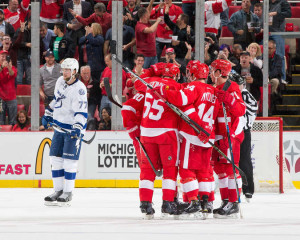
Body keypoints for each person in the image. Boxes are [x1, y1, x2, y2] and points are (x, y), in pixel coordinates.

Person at [155, 60, 219, 217]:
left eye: (189, 72)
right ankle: (206, 203)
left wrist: (163, 91)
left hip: (193, 134)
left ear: (193, 74)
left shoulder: (193, 87)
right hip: (208, 135)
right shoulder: (213, 90)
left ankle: (193, 202)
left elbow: (180, 99)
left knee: (186, 171)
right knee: (204, 172)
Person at [133, 63, 182, 219]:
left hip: (146, 131)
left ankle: (145, 203)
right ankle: (168, 203)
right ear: (176, 75)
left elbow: (136, 83)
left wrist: (149, 70)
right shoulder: (177, 86)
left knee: (147, 170)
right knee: (169, 170)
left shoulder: (150, 82)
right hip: (167, 133)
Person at [42, 58, 87, 206]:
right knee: (55, 160)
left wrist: (77, 127)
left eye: (67, 70)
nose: (64, 72)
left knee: (69, 162)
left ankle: (68, 191)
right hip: (58, 129)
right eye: (63, 69)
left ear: (74, 71)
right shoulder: (60, 81)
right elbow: (56, 100)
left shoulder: (79, 89)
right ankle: (58, 190)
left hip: (71, 130)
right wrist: (48, 114)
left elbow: (81, 111)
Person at [209, 59, 246, 218]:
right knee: (220, 169)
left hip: (230, 134)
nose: (210, 73)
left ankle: (234, 203)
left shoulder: (232, 87)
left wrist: (229, 99)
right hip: (218, 135)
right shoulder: (213, 88)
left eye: (212, 70)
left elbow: (241, 110)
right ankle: (226, 201)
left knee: (231, 169)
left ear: (218, 72)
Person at [230, 71, 258, 202]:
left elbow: (253, 108)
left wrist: (244, 121)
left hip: (243, 131)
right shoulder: (232, 93)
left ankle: (248, 189)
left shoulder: (244, 93)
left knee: (244, 161)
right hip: (232, 131)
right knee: (232, 161)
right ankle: (234, 188)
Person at [269, 0, 291, 83]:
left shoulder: (283, 2)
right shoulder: (267, 3)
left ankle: (282, 78)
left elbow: (288, 14)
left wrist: (276, 14)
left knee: (280, 55)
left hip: (278, 31)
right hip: (266, 31)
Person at [0, 49, 17, 125]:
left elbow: (12, 74)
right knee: (0, 121)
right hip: (1, 98)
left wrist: (9, 67)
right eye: (2, 56)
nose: (4, 58)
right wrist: (1, 67)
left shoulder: (12, 67)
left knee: (13, 121)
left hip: (11, 97)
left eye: (6, 56)